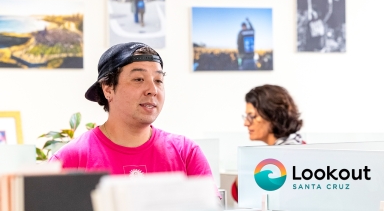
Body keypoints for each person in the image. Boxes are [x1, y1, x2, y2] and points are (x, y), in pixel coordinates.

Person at [50, 42, 216, 185]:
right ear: (108, 88)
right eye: (138, 79)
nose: (153, 90)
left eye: (158, 81)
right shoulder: (71, 159)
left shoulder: (186, 153)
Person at [231, 84, 305, 202]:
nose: (246, 123)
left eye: (251, 116)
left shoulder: (294, 156)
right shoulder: (278, 153)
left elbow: (249, 196)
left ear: (272, 115)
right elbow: (241, 194)